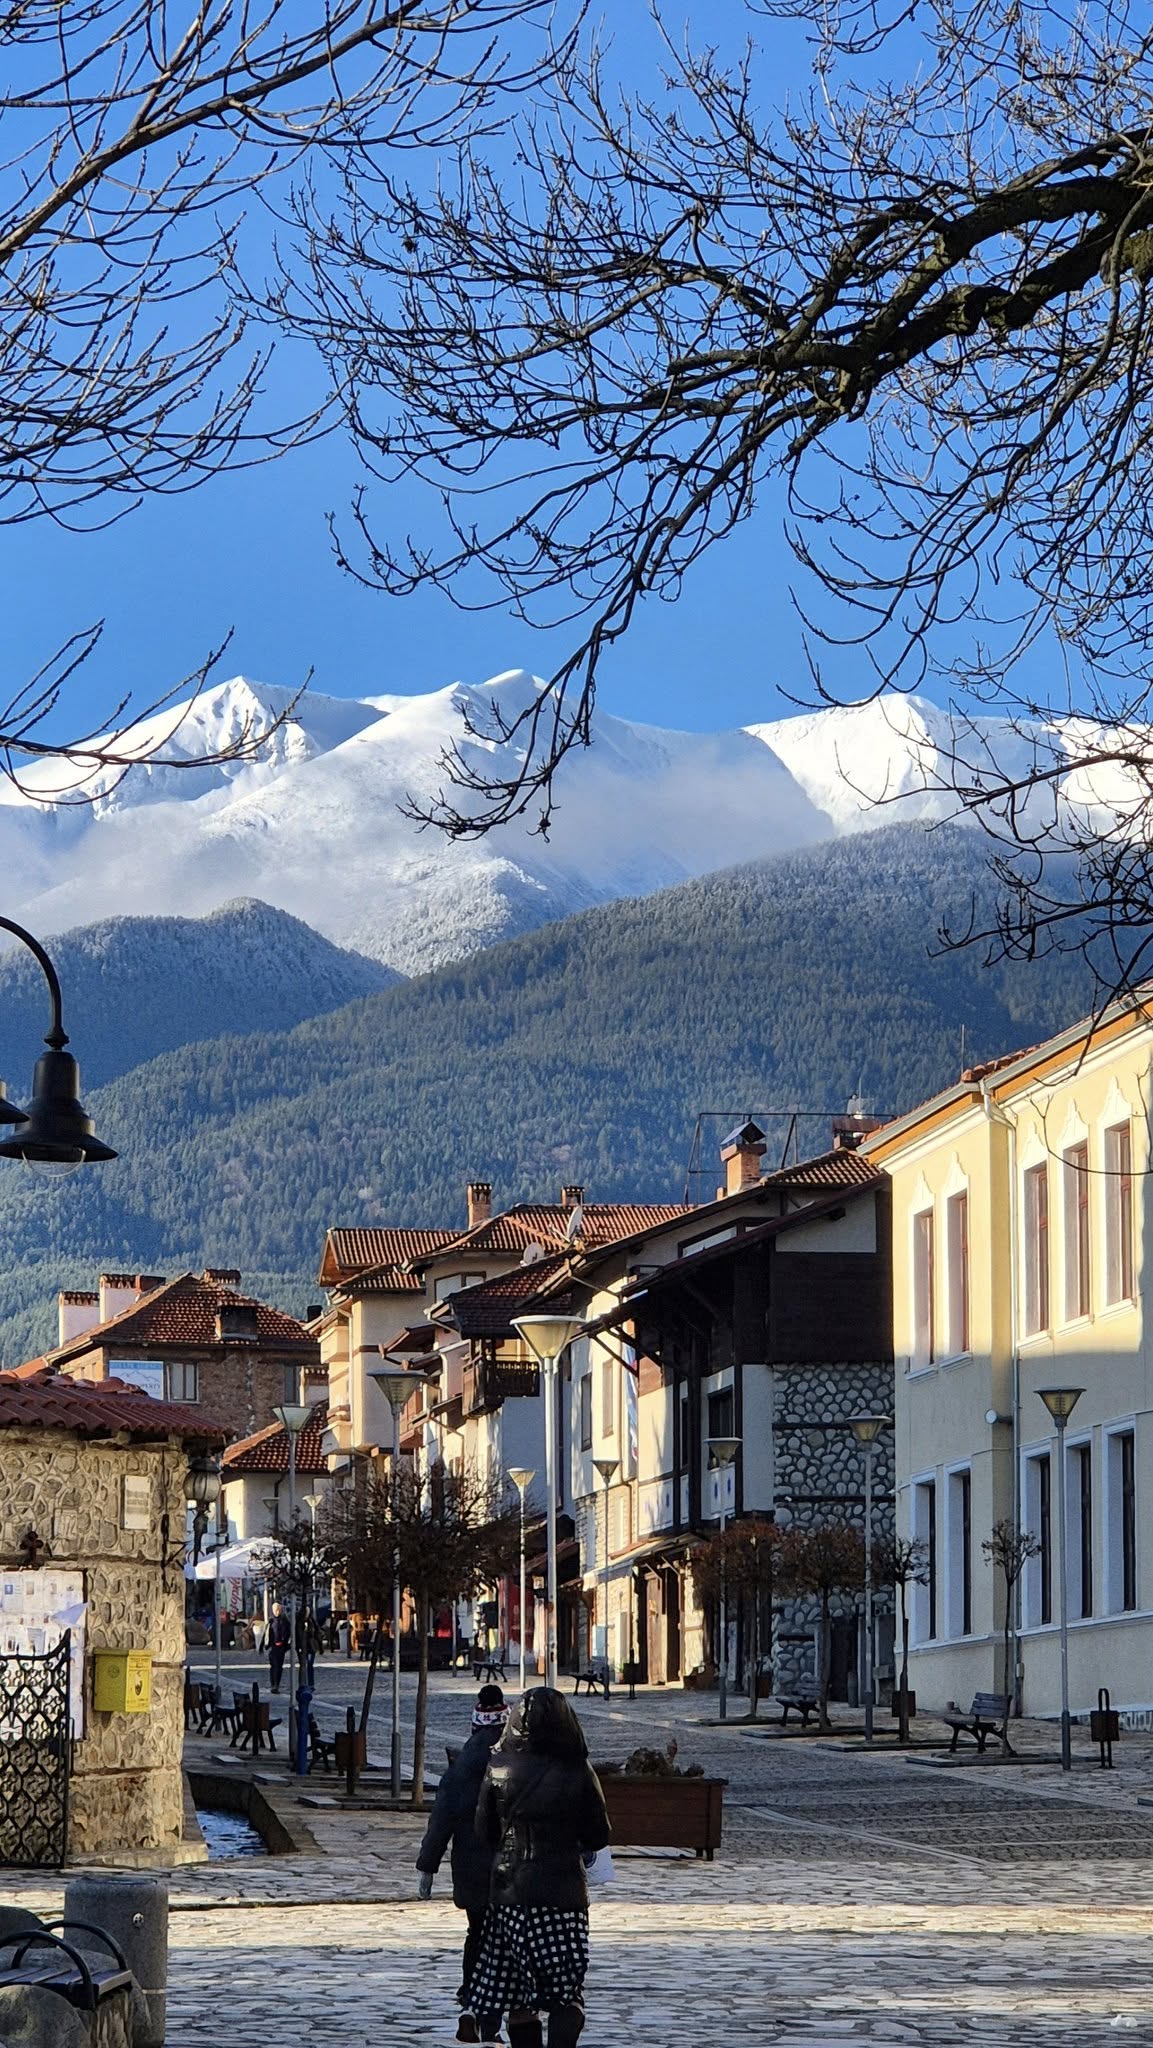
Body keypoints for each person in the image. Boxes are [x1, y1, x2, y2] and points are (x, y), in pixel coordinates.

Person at [466, 1688, 610, 2048]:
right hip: (562, 1895)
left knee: (517, 1996)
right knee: (566, 1992)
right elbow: (598, 1834)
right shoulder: (578, 1769)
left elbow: (484, 1831)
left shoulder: (498, 1766)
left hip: (509, 1895)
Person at [415, 1685, 509, 2044]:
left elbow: (440, 1823)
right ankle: (498, 1999)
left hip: (469, 1865)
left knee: (477, 1931)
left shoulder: (458, 1772)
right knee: (504, 1936)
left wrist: (428, 1867)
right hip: (509, 1866)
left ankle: (471, 1988)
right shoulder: (515, 1764)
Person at [267, 1603, 290, 1692]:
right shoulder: (271, 1621)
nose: (277, 1611)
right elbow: (267, 1633)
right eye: (275, 1610)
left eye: (278, 1610)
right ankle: (273, 1684)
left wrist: (286, 1644)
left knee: (278, 1667)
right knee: (273, 1666)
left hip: (281, 1647)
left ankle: (276, 1684)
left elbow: (288, 1633)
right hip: (273, 1647)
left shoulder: (285, 1621)